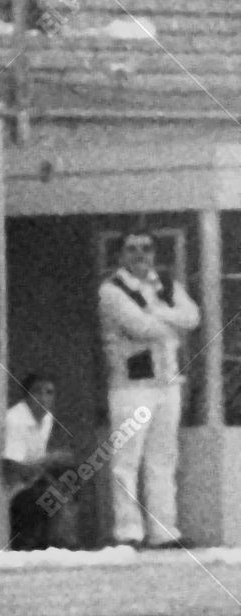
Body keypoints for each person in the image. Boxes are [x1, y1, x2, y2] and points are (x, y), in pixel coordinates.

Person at [98, 231, 199, 549]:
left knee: (163, 458)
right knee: (126, 461)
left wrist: (157, 313)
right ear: (121, 255)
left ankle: (164, 531)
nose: (140, 254)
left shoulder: (167, 285)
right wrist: (170, 324)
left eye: (146, 248)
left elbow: (193, 317)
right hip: (131, 386)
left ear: (155, 253)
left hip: (168, 383)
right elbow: (140, 327)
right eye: (132, 249)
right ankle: (128, 532)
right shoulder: (111, 290)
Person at [3, 371, 77, 551]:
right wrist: (50, 460)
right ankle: (58, 545)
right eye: (37, 392)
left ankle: (61, 545)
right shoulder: (15, 420)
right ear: (26, 396)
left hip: (34, 481)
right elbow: (12, 468)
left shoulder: (47, 419)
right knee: (51, 497)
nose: (43, 398)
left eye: (49, 393)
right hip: (14, 490)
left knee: (71, 483)